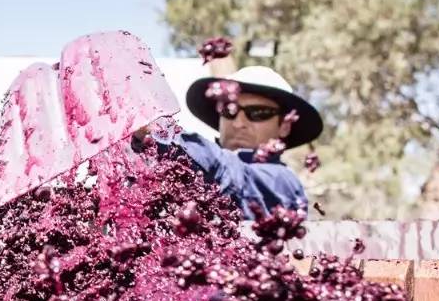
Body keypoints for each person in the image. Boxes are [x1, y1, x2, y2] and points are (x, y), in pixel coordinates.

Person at [137, 64, 323, 219]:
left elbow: (227, 175)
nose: (238, 123)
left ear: (285, 126)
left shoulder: (283, 182)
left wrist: (151, 129)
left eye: (258, 113)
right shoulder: (168, 168)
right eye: (229, 110)